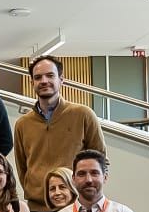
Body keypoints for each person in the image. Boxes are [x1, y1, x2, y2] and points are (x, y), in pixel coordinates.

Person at [12, 55, 105, 195]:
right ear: (32, 82)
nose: (44, 81)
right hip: (37, 208)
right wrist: (33, 191)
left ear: (61, 79)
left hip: (75, 204)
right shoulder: (22, 124)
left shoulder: (83, 115)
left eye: (50, 75)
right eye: (38, 77)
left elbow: (100, 159)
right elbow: (22, 167)